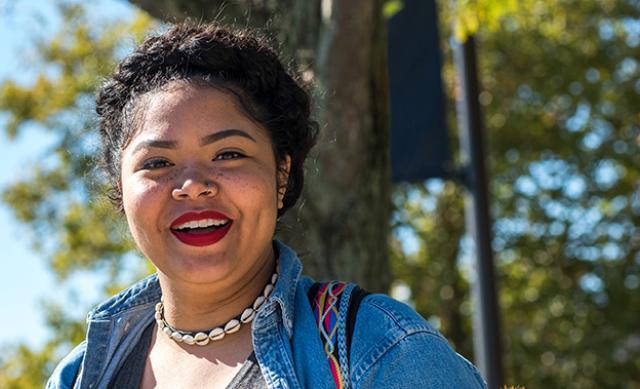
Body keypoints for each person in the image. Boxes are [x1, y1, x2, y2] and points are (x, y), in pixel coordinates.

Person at [46, 23, 487, 389]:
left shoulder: (382, 349)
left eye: (228, 154)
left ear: (281, 173)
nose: (193, 186)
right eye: (158, 162)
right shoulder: (80, 374)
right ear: (121, 192)